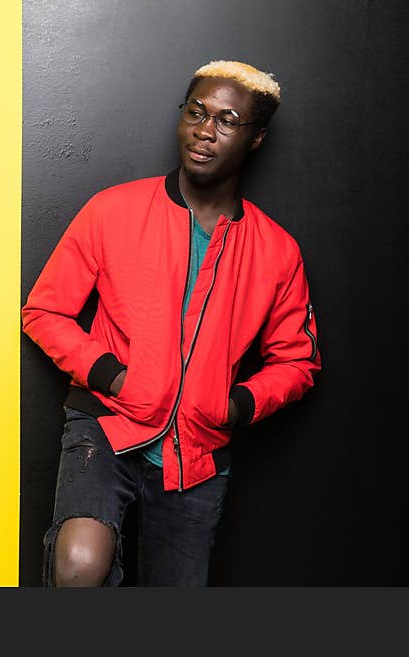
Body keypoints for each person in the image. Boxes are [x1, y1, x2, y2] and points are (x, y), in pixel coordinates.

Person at [22, 60, 321, 587]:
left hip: (200, 450)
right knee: (77, 566)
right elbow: (44, 311)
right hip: (107, 427)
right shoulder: (112, 210)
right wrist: (113, 376)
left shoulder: (277, 250)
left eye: (227, 121)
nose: (206, 130)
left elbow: (297, 361)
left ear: (256, 139)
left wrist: (236, 405)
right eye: (196, 112)